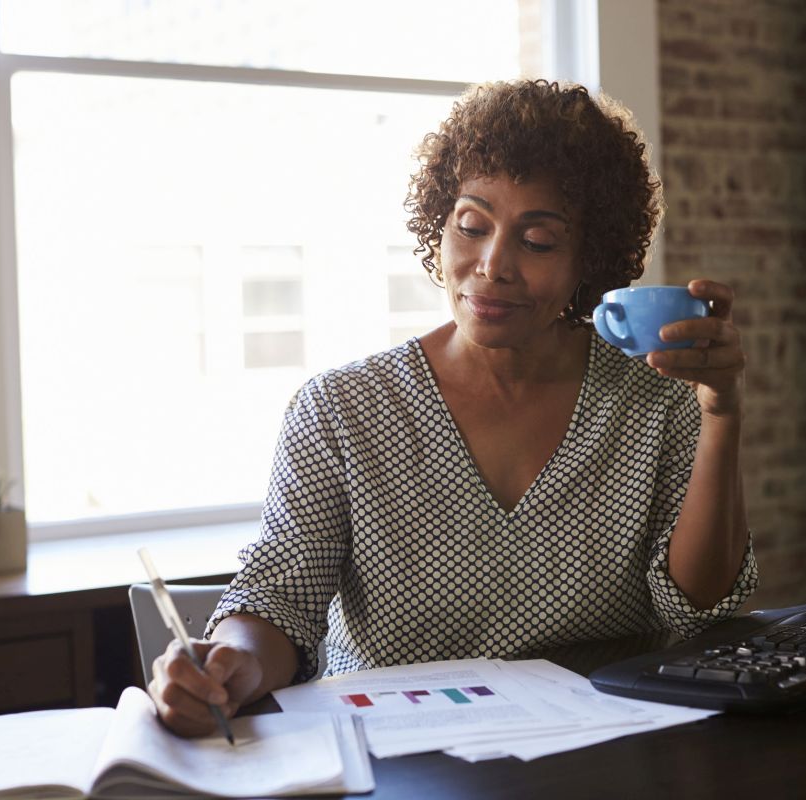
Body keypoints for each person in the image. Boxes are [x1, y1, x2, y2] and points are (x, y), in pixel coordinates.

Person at [150, 79, 757, 737]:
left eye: (539, 241)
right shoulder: (341, 411)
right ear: (440, 225)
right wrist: (229, 659)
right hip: (397, 763)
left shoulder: (654, 403)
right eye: (471, 225)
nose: (492, 265)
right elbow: (277, 599)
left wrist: (721, 414)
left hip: (602, 759)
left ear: (590, 258)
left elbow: (699, 608)